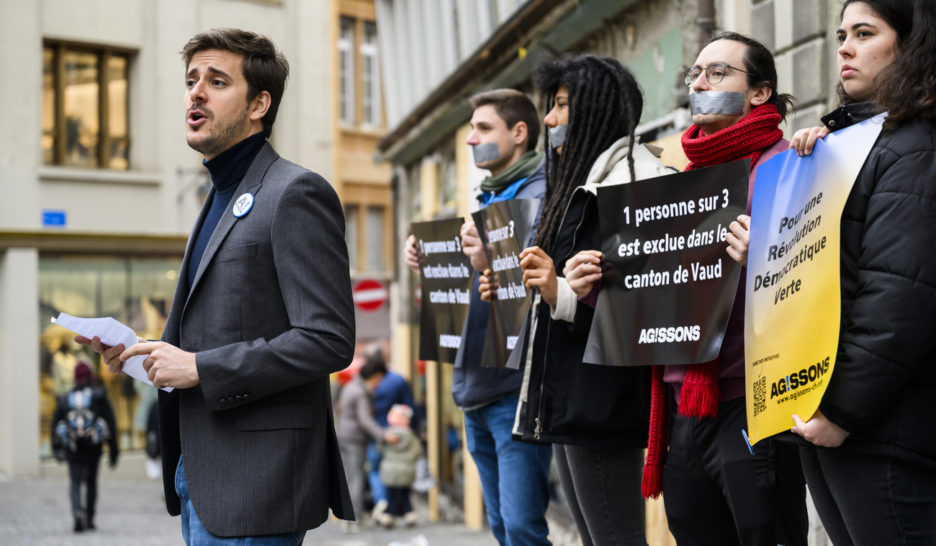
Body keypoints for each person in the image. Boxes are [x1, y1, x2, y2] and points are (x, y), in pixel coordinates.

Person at [76, 28, 355, 544]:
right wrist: (150, 356)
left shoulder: (295, 192)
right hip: (201, 476)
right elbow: (211, 337)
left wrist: (199, 367)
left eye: (217, 81)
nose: (196, 92)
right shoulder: (217, 196)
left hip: (258, 484)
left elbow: (328, 339)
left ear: (259, 103)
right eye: (191, 80)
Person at [629, 33, 808, 546]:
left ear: (759, 92)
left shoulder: (791, 167)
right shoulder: (680, 181)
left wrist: (764, 261)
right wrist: (592, 285)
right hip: (683, 406)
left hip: (754, 408)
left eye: (718, 73)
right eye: (695, 74)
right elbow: (651, 295)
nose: (699, 83)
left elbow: (814, 289)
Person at [485, 55, 669, 546]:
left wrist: (559, 291)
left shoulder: (636, 182)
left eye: (561, 106)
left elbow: (644, 307)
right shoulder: (579, 180)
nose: (549, 120)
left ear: (594, 111)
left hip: (602, 397)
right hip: (570, 393)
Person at [788, 1, 936, 543]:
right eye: (841, 34)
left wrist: (841, 409)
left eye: (865, 33)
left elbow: (900, 294)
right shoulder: (857, 143)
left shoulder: (915, 146)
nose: (844, 47)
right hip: (835, 416)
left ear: (912, 43)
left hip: (880, 425)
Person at [404, 88, 552, 546]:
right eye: (471, 129)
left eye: (483, 128)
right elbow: (475, 290)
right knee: (505, 528)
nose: (470, 139)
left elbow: (531, 287)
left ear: (519, 133)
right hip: (475, 388)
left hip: (515, 388)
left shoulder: (542, 194)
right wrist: (431, 263)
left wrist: (489, 261)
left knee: (524, 529)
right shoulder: (488, 198)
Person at [50, 362, 119, 532]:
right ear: (91, 376)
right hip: (93, 447)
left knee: (74, 481)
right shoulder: (99, 397)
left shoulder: (67, 398)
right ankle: (89, 518)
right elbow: (111, 423)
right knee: (91, 482)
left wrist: (56, 448)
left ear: (75, 377)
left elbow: (55, 423)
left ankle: (77, 513)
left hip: (73, 448)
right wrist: (114, 451)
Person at [335, 357, 399, 532]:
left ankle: (346, 519)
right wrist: (383, 434)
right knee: (356, 479)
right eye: (380, 379)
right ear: (375, 375)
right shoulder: (361, 392)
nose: (379, 383)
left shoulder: (350, 387)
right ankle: (354, 518)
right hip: (355, 440)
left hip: (343, 436)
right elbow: (365, 420)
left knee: (349, 478)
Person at [366, 346, 417, 520]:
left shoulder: (368, 383)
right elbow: (410, 406)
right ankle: (399, 508)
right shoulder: (398, 380)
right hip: (400, 434)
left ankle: (383, 502)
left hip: (375, 434)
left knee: (376, 470)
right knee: (399, 472)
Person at [377, 404, 423, 529]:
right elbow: (418, 451)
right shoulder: (411, 436)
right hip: (407, 470)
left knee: (391, 495)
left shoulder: (388, 435)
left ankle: (388, 516)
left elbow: (379, 449)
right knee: (405, 495)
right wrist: (409, 461)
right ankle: (410, 516)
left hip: (390, 471)